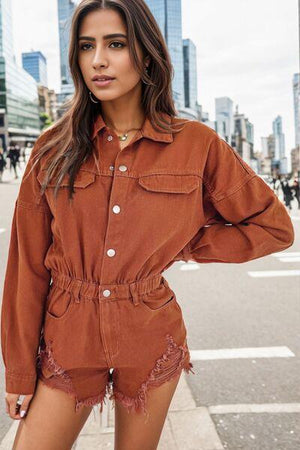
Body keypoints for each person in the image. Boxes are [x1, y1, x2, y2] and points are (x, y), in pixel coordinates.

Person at [0, 0, 295, 449]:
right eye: (86, 46)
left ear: (146, 52)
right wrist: (19, 371)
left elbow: (275, 227)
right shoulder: (51, 147)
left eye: (115, 43)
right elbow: (26, 269)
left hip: (150, 333)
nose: (98, 59)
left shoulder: (198, 144)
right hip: (68, 335)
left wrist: (190, 243)